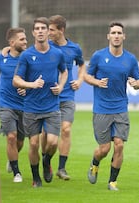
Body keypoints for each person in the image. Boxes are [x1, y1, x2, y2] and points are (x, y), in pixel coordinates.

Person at [85, 22, 139, 191]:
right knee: (104, 148)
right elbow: (87, 76)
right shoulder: (98, 56)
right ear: (108, 36)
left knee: (119, 144)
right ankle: (95, 163)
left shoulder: (130, 59)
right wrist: (97, 82)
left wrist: (135, 83)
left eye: (119, 33)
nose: (116, 35)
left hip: (121, 108)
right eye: (113, 33)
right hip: (102, 109)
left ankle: (112, 182)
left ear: (124, 36)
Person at [13, 17, 68, 187]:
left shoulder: (57, 53)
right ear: (33, 32)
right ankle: (36, 178)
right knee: (34, 143)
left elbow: (64, 72)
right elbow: (16, 80)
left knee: (52, 142)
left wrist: (61, 85)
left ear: (47, 31)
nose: (40, 31)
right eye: (37, 28)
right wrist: (31, 84)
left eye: (43, 28)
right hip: (31, 107)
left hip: (51, 106)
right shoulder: (27, 55)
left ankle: (46, 161)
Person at [39, 15, 86, 181]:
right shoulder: (45, 46)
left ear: (61, 30)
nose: (48, 33)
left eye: (51, 30)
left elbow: (81, 65)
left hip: (67, 96)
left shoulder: (74, 48)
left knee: (66, 129)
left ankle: (61, 168)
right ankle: (46, 160)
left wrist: (80, 80)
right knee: (46, 134)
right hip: (48, 97)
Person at [0, 27, 27, 183]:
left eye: (25, 38)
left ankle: (12, 157)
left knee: (20, 141)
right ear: (12, 42)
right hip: (6, 104)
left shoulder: (29, 58)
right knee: (11, 137)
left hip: (25, 106)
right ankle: (17, 172)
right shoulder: (0, 59)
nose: (25, 41)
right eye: (22, 39)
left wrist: (26, 88)